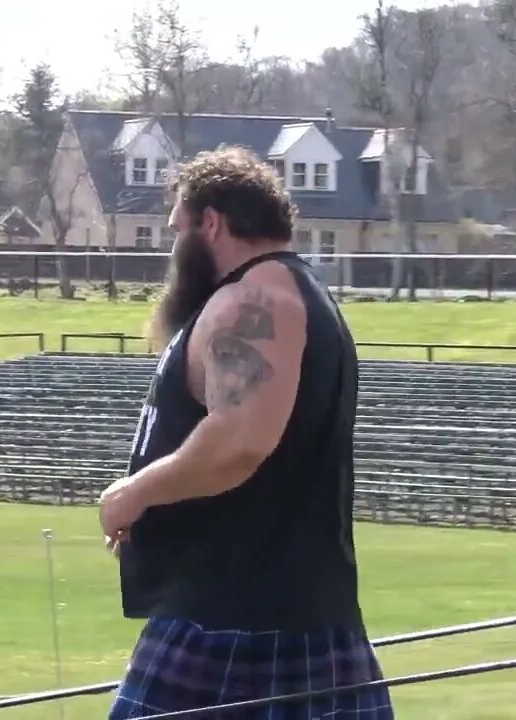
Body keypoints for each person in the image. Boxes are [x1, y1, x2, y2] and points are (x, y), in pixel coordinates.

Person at [98, 145, 393, 719]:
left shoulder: (255, 301)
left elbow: (240, 441)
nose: (172, 246)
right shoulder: (291, 294)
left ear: (210, 222)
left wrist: (132, 495)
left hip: (237, 621)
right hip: (269, 609)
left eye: (177, 229)